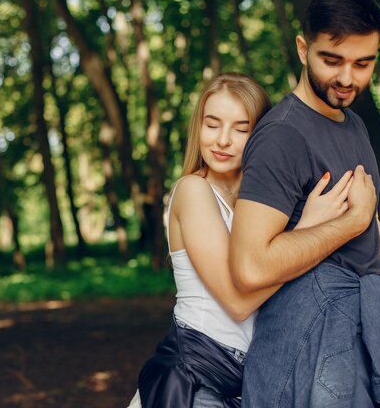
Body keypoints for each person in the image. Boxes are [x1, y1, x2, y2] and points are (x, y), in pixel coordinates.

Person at [229, 0, 380, 407]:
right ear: (303, 49)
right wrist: (349, 224)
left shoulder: (354, 125)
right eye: (332, 60)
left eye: (363, 63)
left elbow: (368, 252)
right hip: (312, 345)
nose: (348, 78)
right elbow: (249, 267)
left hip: (370, 330)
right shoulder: (282, 135)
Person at [130, 72, 357, 408]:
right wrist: (309, 229)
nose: (223, 140)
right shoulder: (193, 190)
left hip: (251, 382)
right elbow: (239, 302)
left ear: (260, 135)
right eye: (212, 124)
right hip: (195, 375)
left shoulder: (261, 204)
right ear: (198, 128)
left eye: (241, 128)